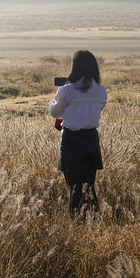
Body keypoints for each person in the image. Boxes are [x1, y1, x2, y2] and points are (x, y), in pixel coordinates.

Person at [49, 50, 107, 217]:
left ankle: (77, 224)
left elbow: (55, 112)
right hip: (91, 139)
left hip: (72, 140)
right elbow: (99, 108)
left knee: (74, 186)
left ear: (76, 67)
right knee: (89, 185)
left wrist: (58, 94)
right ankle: (93, 220)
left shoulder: (67, 90)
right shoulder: (101, 90)